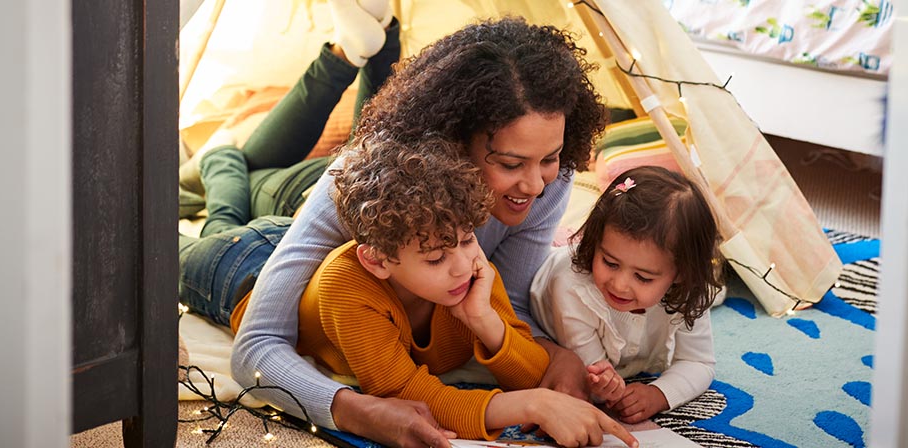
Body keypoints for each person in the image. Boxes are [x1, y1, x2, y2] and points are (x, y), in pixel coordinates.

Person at [228, 13, 612, 448]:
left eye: (550, 158)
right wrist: (357, 411)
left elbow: (508, 305)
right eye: (510, 164)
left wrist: (554, 355)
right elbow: (255, 348)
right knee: (235, 191)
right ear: (452, 142)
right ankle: (223, 160)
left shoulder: (547, 182)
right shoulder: (356, 182)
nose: (536, 185)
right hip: (254, 250)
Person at [267, 137, 634, 444]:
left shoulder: (472, 272)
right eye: (435, 258)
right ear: (378, 261)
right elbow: (405, 393)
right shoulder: (348, 287)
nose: (463, 264)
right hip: (244, 266)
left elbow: (533, 372)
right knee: (227, 214)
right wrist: (531, 406)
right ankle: (225, 162)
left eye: (467, 239)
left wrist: (484, 320)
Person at [529, 166, 724, 424]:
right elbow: (591, 377)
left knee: (712, 291)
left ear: (681, 273)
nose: (619, 285)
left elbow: (699, 362)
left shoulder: (690, 290)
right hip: (546, 279)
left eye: (643, 277)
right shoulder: (571, 288)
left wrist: (659, 394)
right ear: (595, 243)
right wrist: (603, 384)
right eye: (610, 262)